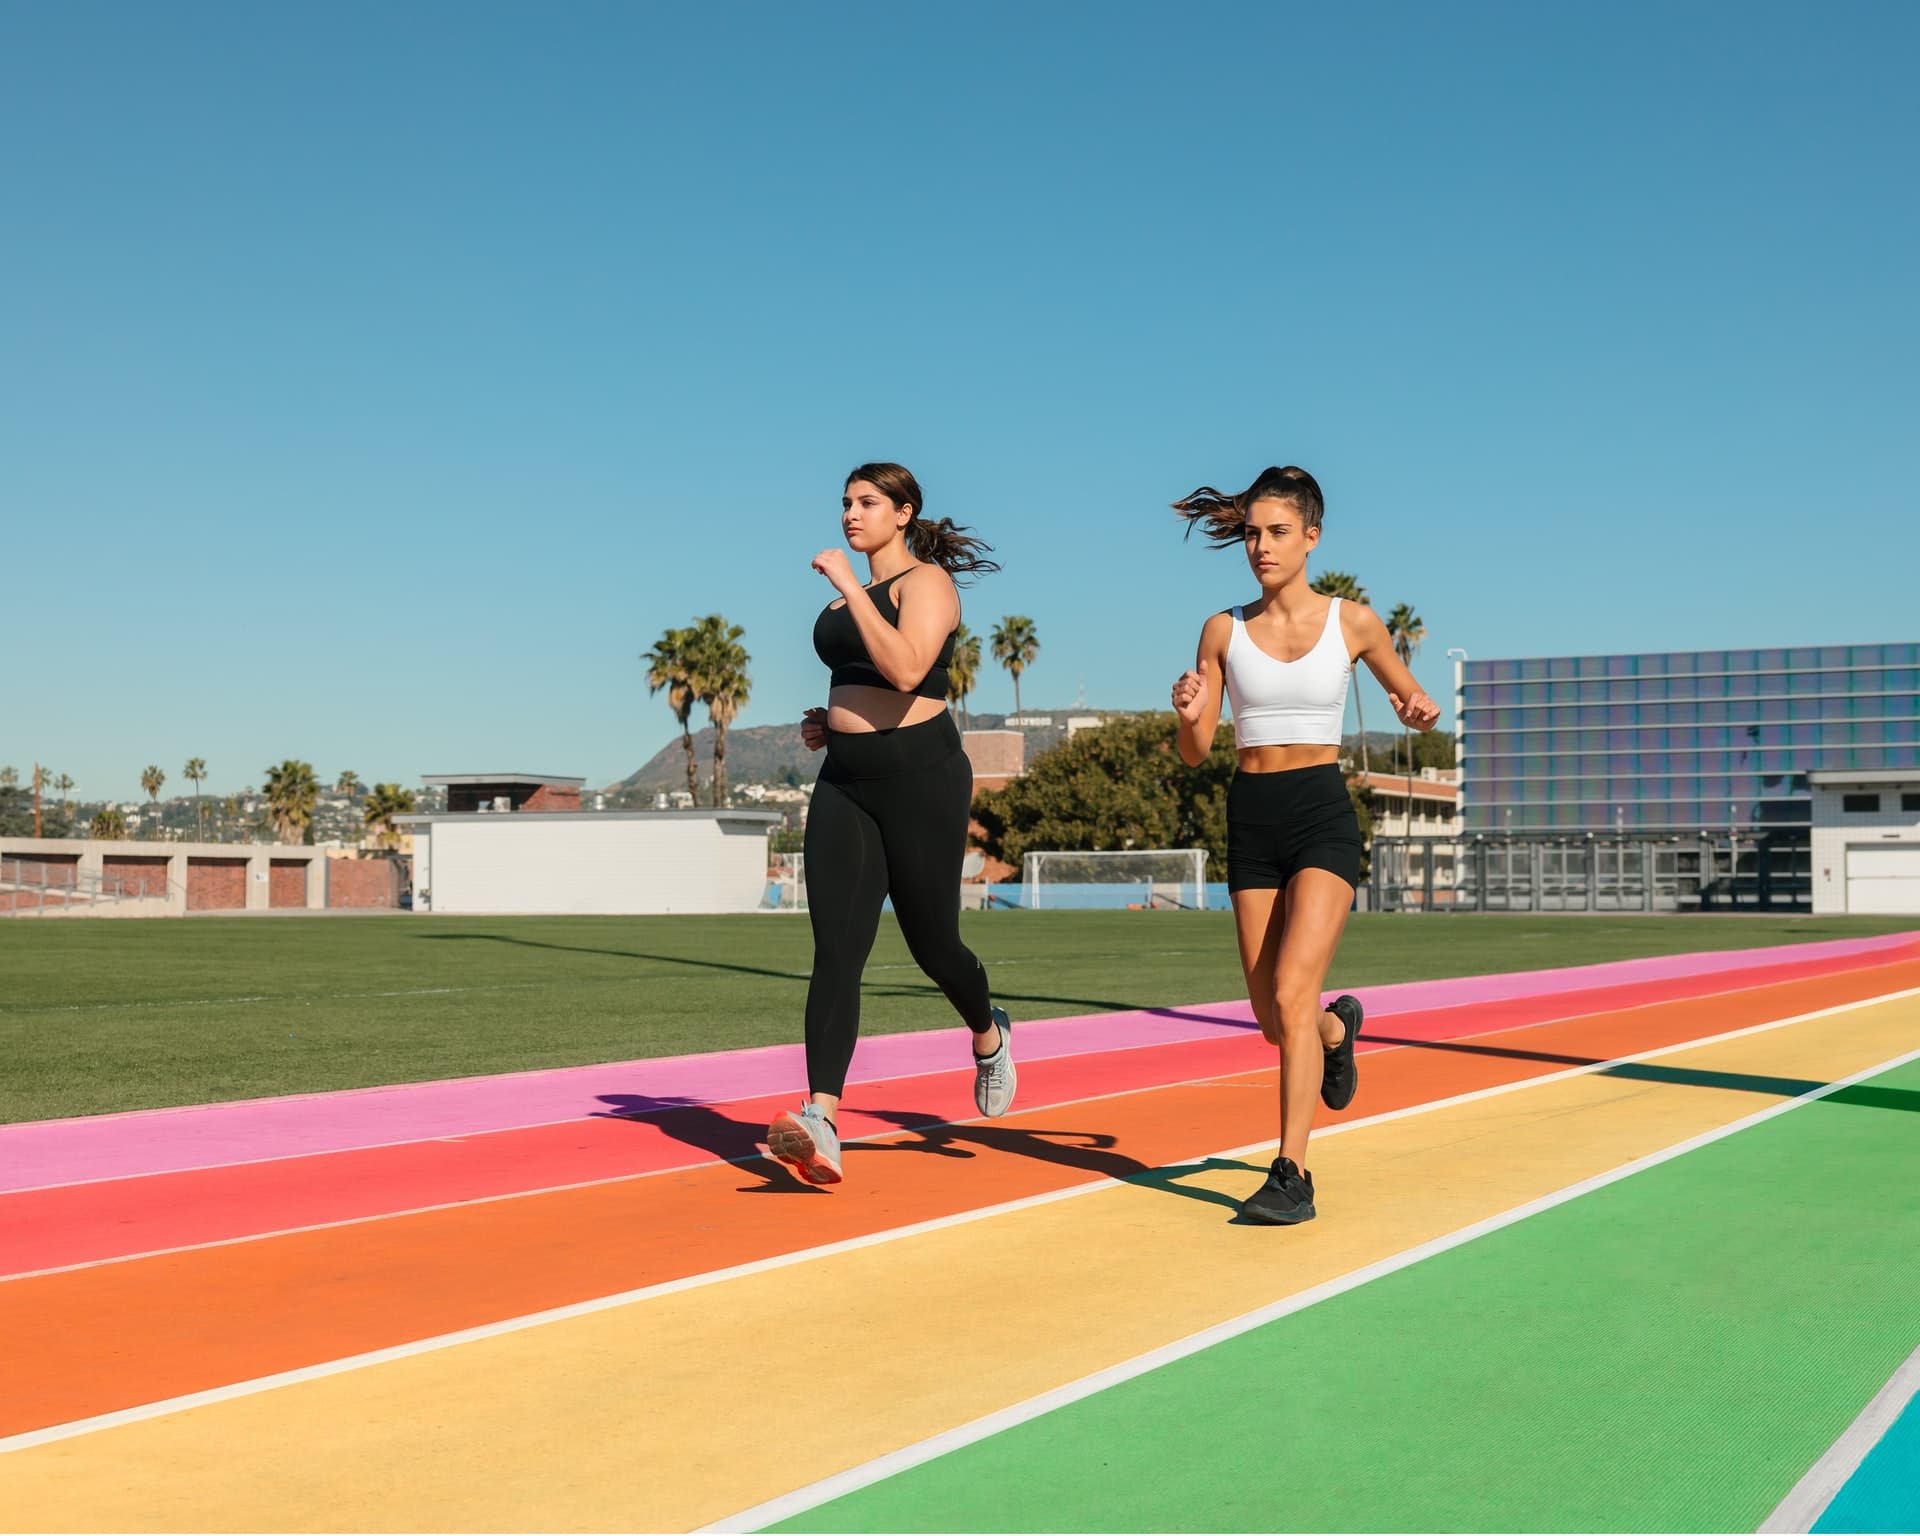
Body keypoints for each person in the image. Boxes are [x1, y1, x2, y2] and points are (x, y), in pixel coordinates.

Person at [1169, 465, 1438, 1224]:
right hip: (1251, 814)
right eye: (1252, 532)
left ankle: (1291, 1174)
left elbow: (1411, 696)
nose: (1260, 546)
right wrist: (1190, 713)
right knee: (1272, 1014)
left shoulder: (1352, 622)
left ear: (1312, 536)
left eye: (1277, 532)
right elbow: (1195, 752)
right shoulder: (1222, 629)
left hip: (1321, 812)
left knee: (1291, 989)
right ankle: (1335, 1029)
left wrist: (1416, 709)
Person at [766, 463, 1016, 1186]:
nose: (851, 512)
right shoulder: (865, 591)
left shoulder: (927, 584)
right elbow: (864, 679)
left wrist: (849, 584)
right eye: (845, 502)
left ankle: (989, 1033)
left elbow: (908, 669)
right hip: (845, 783)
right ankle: (822, 1119)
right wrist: (833, 721)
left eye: (867, 502)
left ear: (903, 513)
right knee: (837, 951)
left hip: (922, 780)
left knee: (934, 944)